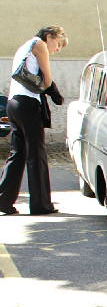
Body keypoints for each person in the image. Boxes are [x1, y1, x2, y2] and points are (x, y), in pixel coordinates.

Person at [0, 26, 67, 215]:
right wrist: (54, 91)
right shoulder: (39, 44)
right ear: (49, 36)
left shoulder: (25, 46)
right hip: (28, 104)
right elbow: (47, 80)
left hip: (14, 103)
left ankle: (3, 200)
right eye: (58, 44)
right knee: (36, 155)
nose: (57, 49)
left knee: (18, 153)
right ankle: (41, 205)